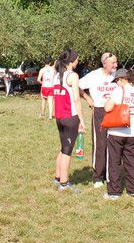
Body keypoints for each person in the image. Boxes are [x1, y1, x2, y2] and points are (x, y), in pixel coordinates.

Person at [103, 68, 134, 200]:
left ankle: (114, 192)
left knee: (114, 162)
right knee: (132, 161)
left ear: (122, 79)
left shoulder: (118, 90)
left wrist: (107, 101)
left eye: (117, 80)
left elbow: (107, 108)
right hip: (133, 132)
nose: (116, 83)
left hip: (117, 131)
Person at [79, 52, 118, 188]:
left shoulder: (117, 75)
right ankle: (98, 176)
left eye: (116, 62)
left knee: (114, 143)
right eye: (113, 63)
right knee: (100, 143)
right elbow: (77, 86)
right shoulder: (94, 75)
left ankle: (111, 174)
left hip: (115, 111)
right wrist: (88, 98)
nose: (115, 65)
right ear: (104, 63)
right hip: (100, 111)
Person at [53, 48, 85, 193]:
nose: (78, 61)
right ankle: (64, 183)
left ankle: (58, 177)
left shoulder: (56, 75)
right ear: (72, 60)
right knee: (67, 151)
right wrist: (81, 119)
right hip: (70, 117)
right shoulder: (72, 76)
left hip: (59, 117)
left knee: (63, 147)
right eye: (77, 58)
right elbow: (76, 99)